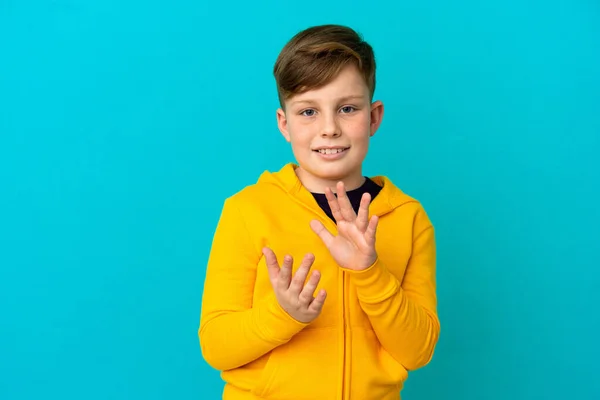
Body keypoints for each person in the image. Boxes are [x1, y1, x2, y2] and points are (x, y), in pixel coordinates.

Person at [198, 24, 440, 400]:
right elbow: (216, 346)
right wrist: (283, 313)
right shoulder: (247, 210)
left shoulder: (408, 218)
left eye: (347, 109)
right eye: (308, 111)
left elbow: (419, 351)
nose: (329, 129)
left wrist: (370, 273)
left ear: (374, 117)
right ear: (285, 124)